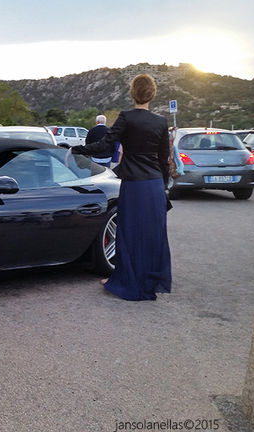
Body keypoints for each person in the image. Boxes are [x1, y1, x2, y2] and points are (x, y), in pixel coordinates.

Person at [65, 74, 171, 301]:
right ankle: (149, 281)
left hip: (133, 184)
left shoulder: (126, 118)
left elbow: (105, 144)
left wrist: (76, 150)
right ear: (152, 94)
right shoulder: (161, 122)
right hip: (153, 185)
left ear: (132, 93)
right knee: (152, 234)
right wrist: (164, 186)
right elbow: (164, 159)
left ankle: (124, 279)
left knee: (129, 232)